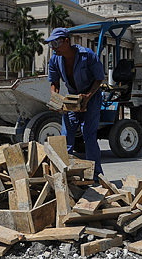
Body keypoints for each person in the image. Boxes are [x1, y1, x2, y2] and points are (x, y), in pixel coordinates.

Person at [46, 27, 105, 180]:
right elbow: (54, 82)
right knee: (66, 137)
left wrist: (88, 96)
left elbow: (99, 78)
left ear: (67, 41)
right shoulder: (55, 59)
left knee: (89, 135)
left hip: (91, 97)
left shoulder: (88, 55)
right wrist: (55, 98)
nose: (54, 48)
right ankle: (65, 174)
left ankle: (95, 175)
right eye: (51, 45)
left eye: (56, 44)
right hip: (72, 98)